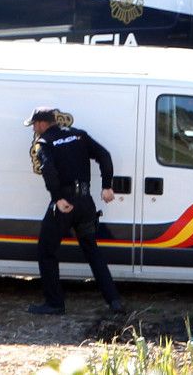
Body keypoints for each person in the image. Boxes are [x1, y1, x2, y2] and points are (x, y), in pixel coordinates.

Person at [25, 107, 124, 315]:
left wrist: (57, 199)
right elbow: (104, 155)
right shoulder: (78, 135)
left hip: (65, 204)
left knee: (46, 251)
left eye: (34, 124)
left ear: (43, 123)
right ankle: (114, 300)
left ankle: (54, 303)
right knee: (92, 251)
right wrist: (107, 185)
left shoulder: (44, 143)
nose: (34, 128)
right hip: (85, 203)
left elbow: (49, 170)